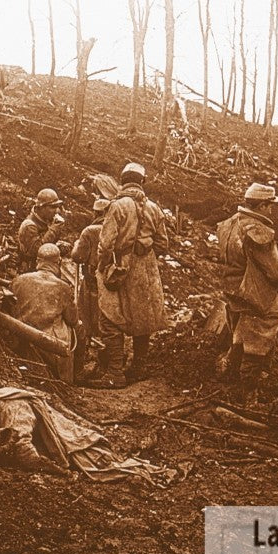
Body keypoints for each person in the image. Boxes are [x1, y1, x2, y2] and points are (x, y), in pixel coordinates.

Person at [93, 162, 171, 386]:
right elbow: (163, 244)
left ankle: (115, 373)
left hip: (121, 267)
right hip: (147, 269)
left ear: (123, 180)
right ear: (142, 182)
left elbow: (106, 243)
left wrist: (102, 266)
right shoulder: (154, 208)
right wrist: (144, 249)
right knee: (143, 318)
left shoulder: (117, 206)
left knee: (109, 317)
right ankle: (138, 368)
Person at [216, 182, 278, 403]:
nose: (270, 210)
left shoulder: (230, 223)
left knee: (239, 334)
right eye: (269, 205)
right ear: (260, 206)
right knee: (259, 338)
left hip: (233, 290)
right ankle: (247, 394)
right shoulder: (258, 231)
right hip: (253, 294)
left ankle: (228, 379)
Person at [8, 243, 78, 381]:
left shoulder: (18, 280)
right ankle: (73, 377)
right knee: (76, 330)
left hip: (18, 341)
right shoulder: (63, 287)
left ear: (37, 261)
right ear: (58, 263)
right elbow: (72, 320)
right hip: (51, 346)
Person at [68, 197, 111, 382]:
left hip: (92, 281)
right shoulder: (119, 230)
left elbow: (77, 257)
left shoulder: (90, 231)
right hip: (112, 283)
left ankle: (85, 360)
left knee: (86, 320)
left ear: (96, 213)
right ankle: (107, 362)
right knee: (109, 322)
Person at [17, 188, 65, 270]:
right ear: (41, 207)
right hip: (30, 271)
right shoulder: (29, 226)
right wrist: (54, 229)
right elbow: (38, 251)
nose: (56, 211)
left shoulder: (45, 221)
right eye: (52, 207)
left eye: (57, 207)